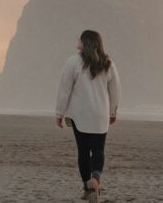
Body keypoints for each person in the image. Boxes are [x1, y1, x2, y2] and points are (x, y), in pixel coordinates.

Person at [55, 29, 121, 203]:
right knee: (98, 150)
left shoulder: (73, 62)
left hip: (80, 114)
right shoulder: (108, 63)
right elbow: (115, 90)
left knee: (83, 151)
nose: (77, 41)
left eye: (80, 39)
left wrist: (59, 113)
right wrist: (113, 111)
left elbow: (64, 89)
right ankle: (96, 180)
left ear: (85, 42)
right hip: (101, 114)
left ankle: (87, 187)